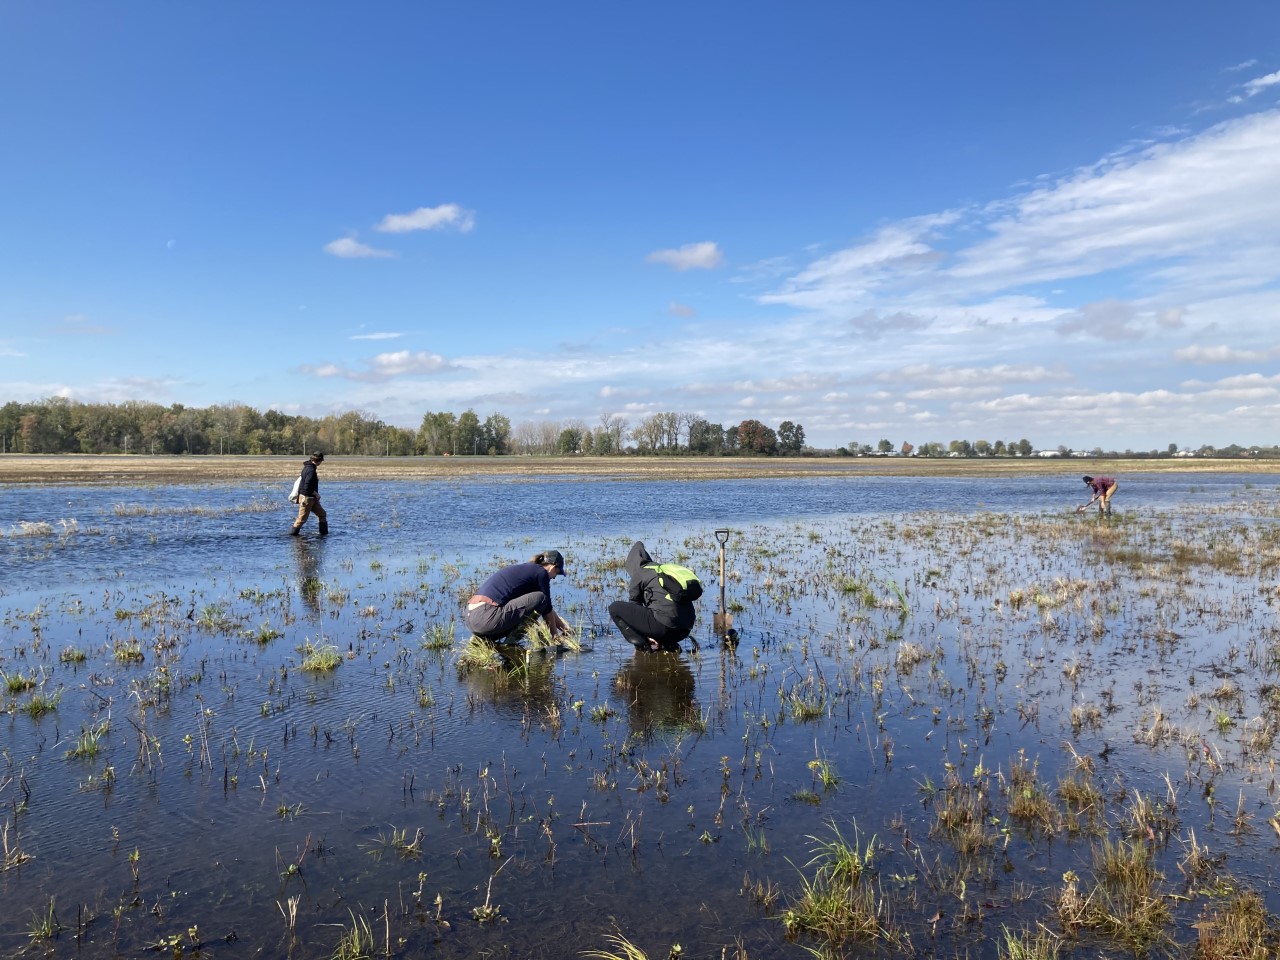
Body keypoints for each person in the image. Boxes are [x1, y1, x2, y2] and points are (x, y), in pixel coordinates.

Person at [609, 541, 697, 652]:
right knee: (659, 613)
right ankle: (669, 644)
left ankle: (643, 645)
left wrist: (645, 635)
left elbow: (635, 610)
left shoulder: (640, 573)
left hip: (664, 628)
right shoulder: (662, 570)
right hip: (685, 629)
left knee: (614, 608)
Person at [464, 550, 570, 642]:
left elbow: (548, 608)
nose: (555, 578)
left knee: (540, 600)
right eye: (558, 573)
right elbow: (546, 607)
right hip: (486, 616)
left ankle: (484, 639)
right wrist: (555, 637)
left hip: (471, 617)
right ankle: (510, 643)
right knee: (541, 598)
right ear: (552, 567)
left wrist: (565, 630)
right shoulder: (541, 573)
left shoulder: (528, 571)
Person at [290, 452, 328, 535]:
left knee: (322, 514)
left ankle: (324, 536)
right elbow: (307, 487)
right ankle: (292, 536)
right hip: (307, 499)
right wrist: (316, 494)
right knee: (301, 520)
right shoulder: (311, 470)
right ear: (319, 460)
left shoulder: (307, 467)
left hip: (311, 498)